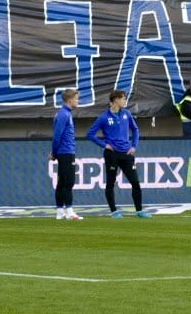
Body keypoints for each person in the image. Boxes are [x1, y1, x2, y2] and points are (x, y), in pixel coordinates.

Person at [86, 89, 152, 217]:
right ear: (115, 100)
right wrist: (104, 145)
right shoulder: (103, 117)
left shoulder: (126, 113)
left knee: (135, 182)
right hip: (112, 154)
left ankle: (139, 211)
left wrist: (134, 146)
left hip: (126, 153)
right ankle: (114, 211)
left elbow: (135, 130)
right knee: (111, 183)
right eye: (123, 98)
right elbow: (90, 134)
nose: (125, 101)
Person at [51, 88, 83, 220]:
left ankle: (60, 211)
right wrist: (54, 153)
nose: (78, 101)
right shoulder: (64, 114)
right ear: (70, 100)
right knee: (68, 182)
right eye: (76, 98)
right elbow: (57, 136)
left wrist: (55, 152)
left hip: (65, 151)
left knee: (62, 182)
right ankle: (69, 211)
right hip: (66, 152)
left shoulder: (65, 113)